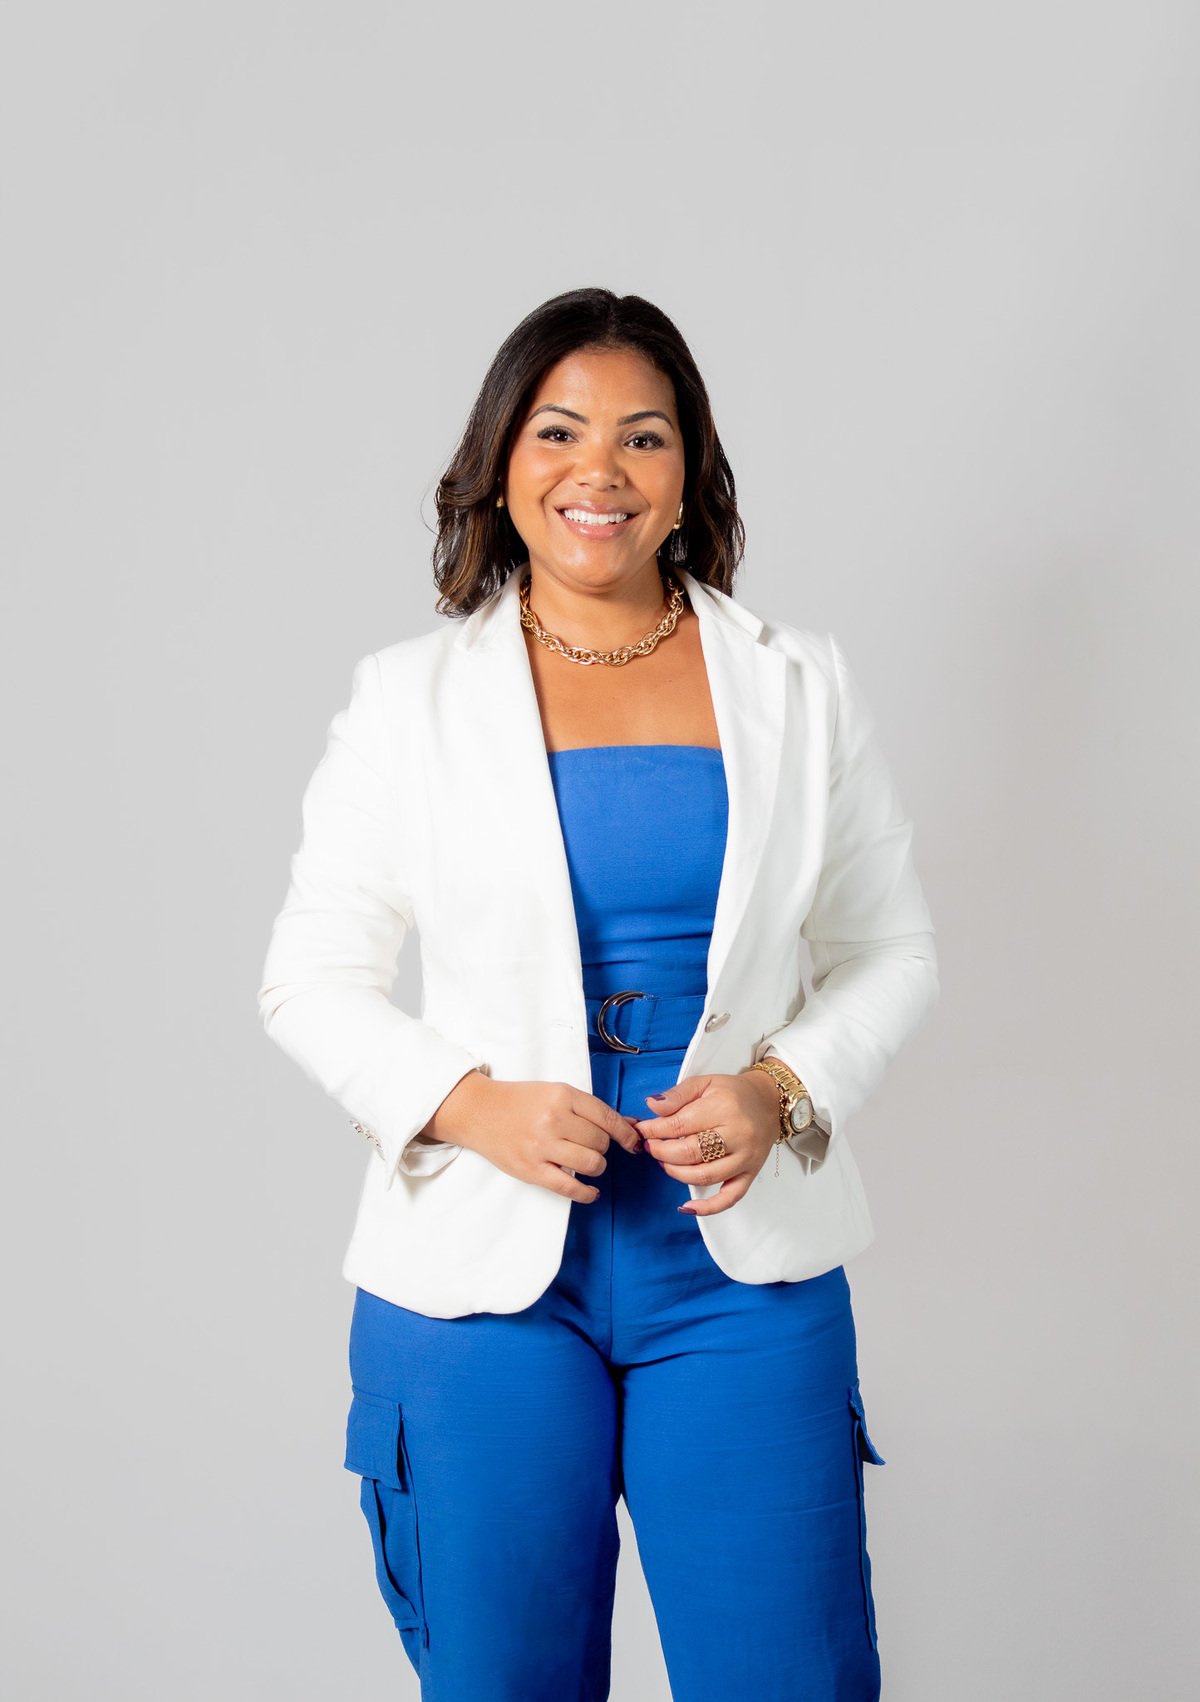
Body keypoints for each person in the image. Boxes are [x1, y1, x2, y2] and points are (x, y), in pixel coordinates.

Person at [259, 287, 937, 1702]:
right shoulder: (404, 700)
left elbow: (891, 949)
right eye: (559, 431)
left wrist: (781, 1089)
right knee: (503, 1679)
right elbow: (309, 978)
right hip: (483, 1278)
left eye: (644, 435)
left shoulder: (800, 685)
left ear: (690, 471)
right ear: (503, 463)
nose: (601, 470)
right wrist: (470, 1105)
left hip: (737, 1260)